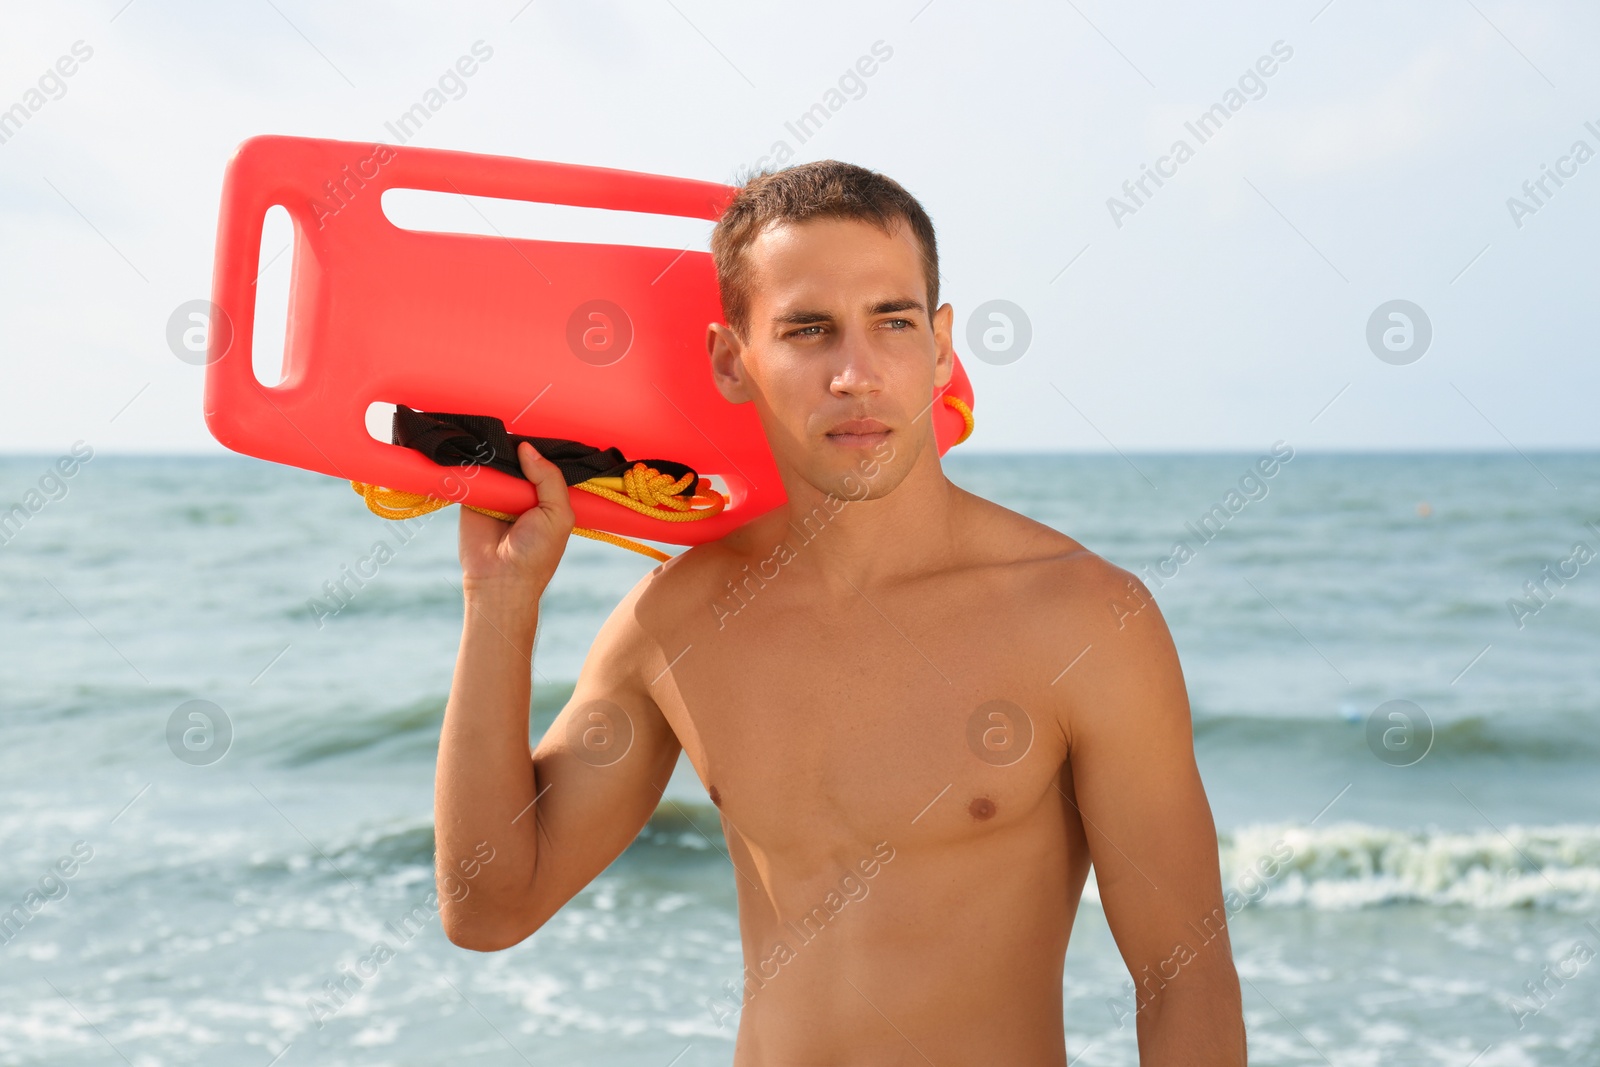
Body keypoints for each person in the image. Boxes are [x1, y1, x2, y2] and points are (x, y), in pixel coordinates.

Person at [432, 159, 1247, 1065]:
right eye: (809, 330)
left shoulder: (1084, 621)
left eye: (892, 323)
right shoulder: (677, 619)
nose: (856, 374)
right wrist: (498, 604)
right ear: (731, 361)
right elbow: (489, 906)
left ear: (940, 349)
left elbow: (1185, 980)